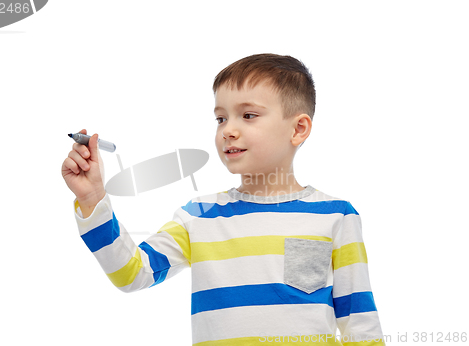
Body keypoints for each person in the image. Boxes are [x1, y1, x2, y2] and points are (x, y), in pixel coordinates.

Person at [61, 53, 386, 345]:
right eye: (221, 118)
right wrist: (93, 199)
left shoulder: (336, 216)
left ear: (298, 129)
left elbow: (361, 325)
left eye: (248, 116)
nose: (228, 130)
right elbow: (133, 274)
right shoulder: (199, 216)